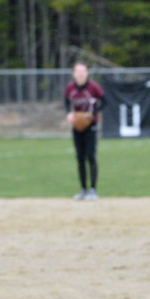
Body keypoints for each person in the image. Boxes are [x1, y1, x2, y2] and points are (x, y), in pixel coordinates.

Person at [63, 61, 104, 201]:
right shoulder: (70, 88)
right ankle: (82, 189)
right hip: (76, 125)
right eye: (78, 71)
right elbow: (66, 102)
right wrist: (69, 113)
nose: (80, 74)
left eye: (83, 71)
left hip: (90, 126)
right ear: (73, 74)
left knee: (90, 156)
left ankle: (93, 189)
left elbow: (104, 101)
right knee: (80, 157)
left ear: (87, 73)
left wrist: (92, 113)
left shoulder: (93, 87)